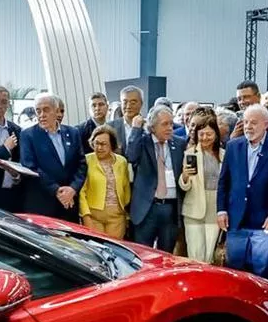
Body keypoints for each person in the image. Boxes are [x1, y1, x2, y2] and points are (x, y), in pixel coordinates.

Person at [217, 104, 268, 279]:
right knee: (234, 269)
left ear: (266, 124)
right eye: (245, 122)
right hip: (235, 219)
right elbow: (224, 181)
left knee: (261, 268)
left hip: (264, 220)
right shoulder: (233, 146)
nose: (248, 126)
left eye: (254, 122)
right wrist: (221, 210)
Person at [127, 106, 186, 251]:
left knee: (166, 254)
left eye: (171, 124)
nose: (170, 128)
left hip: (171, 208)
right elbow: (131, 156)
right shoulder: (142, 142)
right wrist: (136, 129)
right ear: (152, 126)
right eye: (165, 124)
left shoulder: (178, 143)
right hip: (147, 208)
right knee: (142, 253)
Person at [20, 93, 87, 221]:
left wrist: (73, 189)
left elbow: (82, 164)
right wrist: (57, 190)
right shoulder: (28, 135)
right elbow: (30, 167)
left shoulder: (73, 133)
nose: (41, 115)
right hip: (42, 204)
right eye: (38, 111)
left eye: (46, 110)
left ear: (57, 111)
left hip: (69, 202)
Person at [180, 112, 225, 263]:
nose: (205, 138)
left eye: (209, 134)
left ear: (216, 134)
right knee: (195, 254)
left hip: (215, 208)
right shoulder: (190, 153)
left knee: (209, 255)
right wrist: (185, 176)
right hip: (194, 210)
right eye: (202, 134)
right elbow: (184, 186)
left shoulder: (224, 155)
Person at [78, 125, 130, 238]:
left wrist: (125, 214)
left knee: (115, 251)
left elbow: (126, 188)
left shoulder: (122, 162)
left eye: (104, 144)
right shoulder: (86, 160)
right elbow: (82, 192)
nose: (99, 148)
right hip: (93, 216)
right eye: (96, 143)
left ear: (112, 145)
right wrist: (86, 217)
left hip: (117, 216)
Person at [112, 86, 146, 152]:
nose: (128, 106)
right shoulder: (110, 127)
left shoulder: (148, 127)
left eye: (133, 103)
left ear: (141, 104)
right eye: (125, 102)